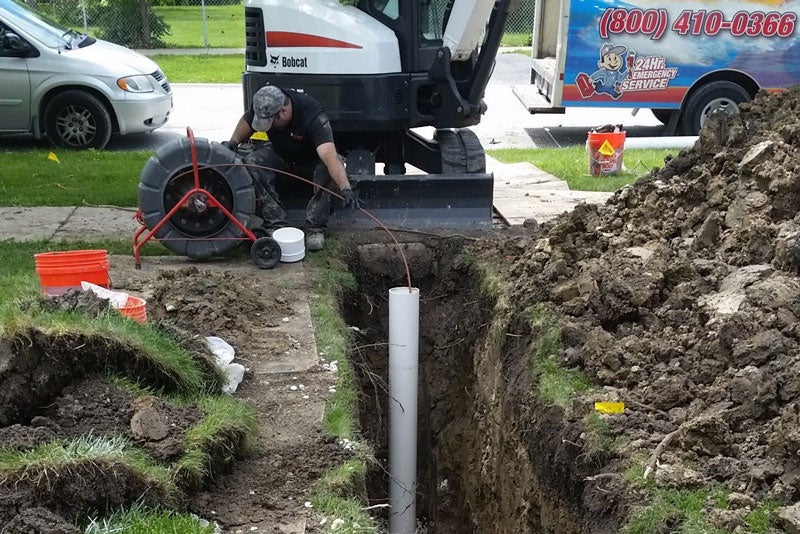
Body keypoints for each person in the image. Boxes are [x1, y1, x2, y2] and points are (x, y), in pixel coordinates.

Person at [222, 85, 356, 251]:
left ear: (283, 111)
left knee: (328, 169)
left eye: (271, 123)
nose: (268, 127)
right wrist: (233, 142)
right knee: (251, 162)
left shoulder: (311, 114)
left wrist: (345, 188)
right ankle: (276, 224)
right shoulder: (265, 104)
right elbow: (247, 121)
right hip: (281, 157)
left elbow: (329, 156)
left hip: (311, 163)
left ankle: (315, 228)